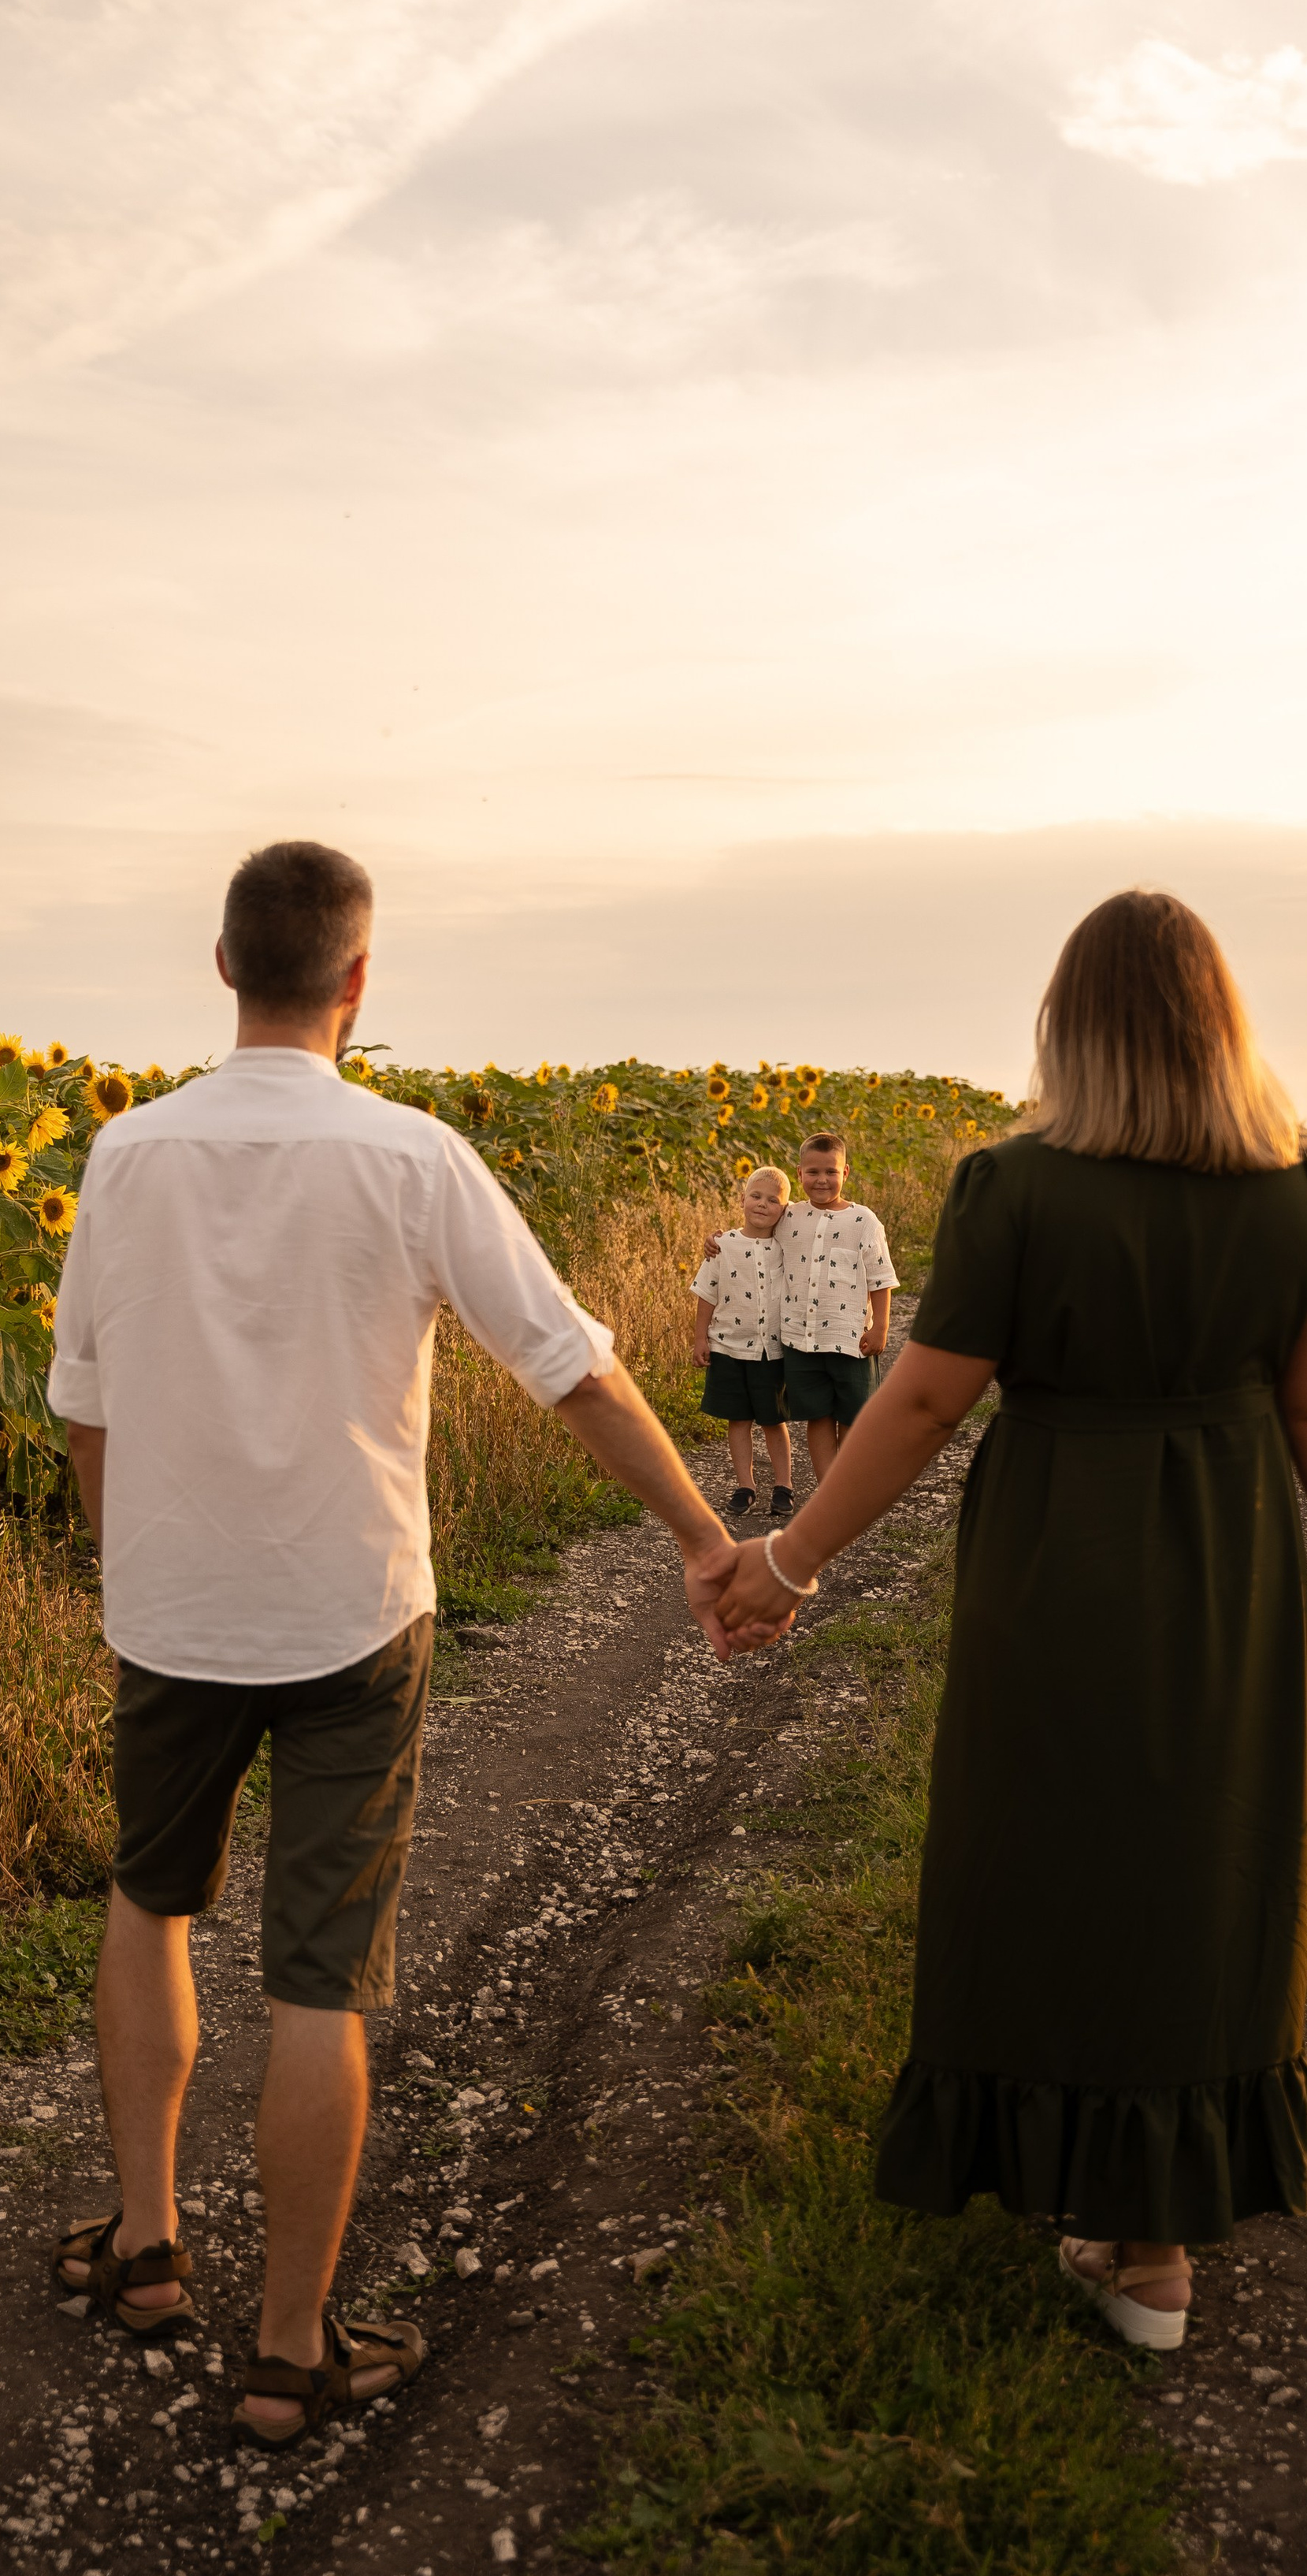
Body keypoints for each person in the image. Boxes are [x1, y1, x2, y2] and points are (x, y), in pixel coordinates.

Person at [46, 840, 738, 2448]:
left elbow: (84, 1403)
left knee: (148, 1903)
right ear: (359, 980)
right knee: (315, 1984)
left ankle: (147, 2251)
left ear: (222, 968)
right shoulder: (413, 1158)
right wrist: (709, 1544)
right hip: (350, 1614)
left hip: (172, 1614)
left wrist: (128, 1562)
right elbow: (567, 1368)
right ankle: (288, 2353)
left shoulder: (126, 1156)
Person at [711, 891, 1307, 2350]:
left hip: (1058, 1551)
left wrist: (788, 1559)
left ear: (1073, 1025)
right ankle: (1156, 2239)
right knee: (1201, 1851)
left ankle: (1079, 2191)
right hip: (1224, 1555)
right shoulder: (1296, 1182)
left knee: (1047, 1848)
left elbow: (924, 1397)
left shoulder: (1019, 1184)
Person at [711, 1132, 896, 1483]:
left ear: (846, 1173)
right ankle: (828, 1489)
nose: (822, 1180)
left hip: (850, 1339)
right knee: (818, 1415)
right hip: (800, 1339)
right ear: (799, 1174)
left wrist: (881, 1326)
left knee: (854, 1417)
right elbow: (754, 1229)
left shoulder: (864, 1221)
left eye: (831, 1172)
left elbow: (880, 1277)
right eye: (813, 1172)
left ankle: (850, 1485)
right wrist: (717, 1240)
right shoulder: (789, 1217)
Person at [690, 1162, 794, 1518]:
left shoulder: (787, 1247)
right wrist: (699, 1338)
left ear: (785, 1211)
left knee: (773, 1420)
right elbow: (707, 1293)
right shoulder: (723, 1246)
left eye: (773, 1200)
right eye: (756, 1196)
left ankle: (784, 1486)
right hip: (728, 1346)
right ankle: (745, 1486)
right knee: (738, 1420)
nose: (763, 1204)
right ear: (742, 1199)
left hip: (771, 1349)